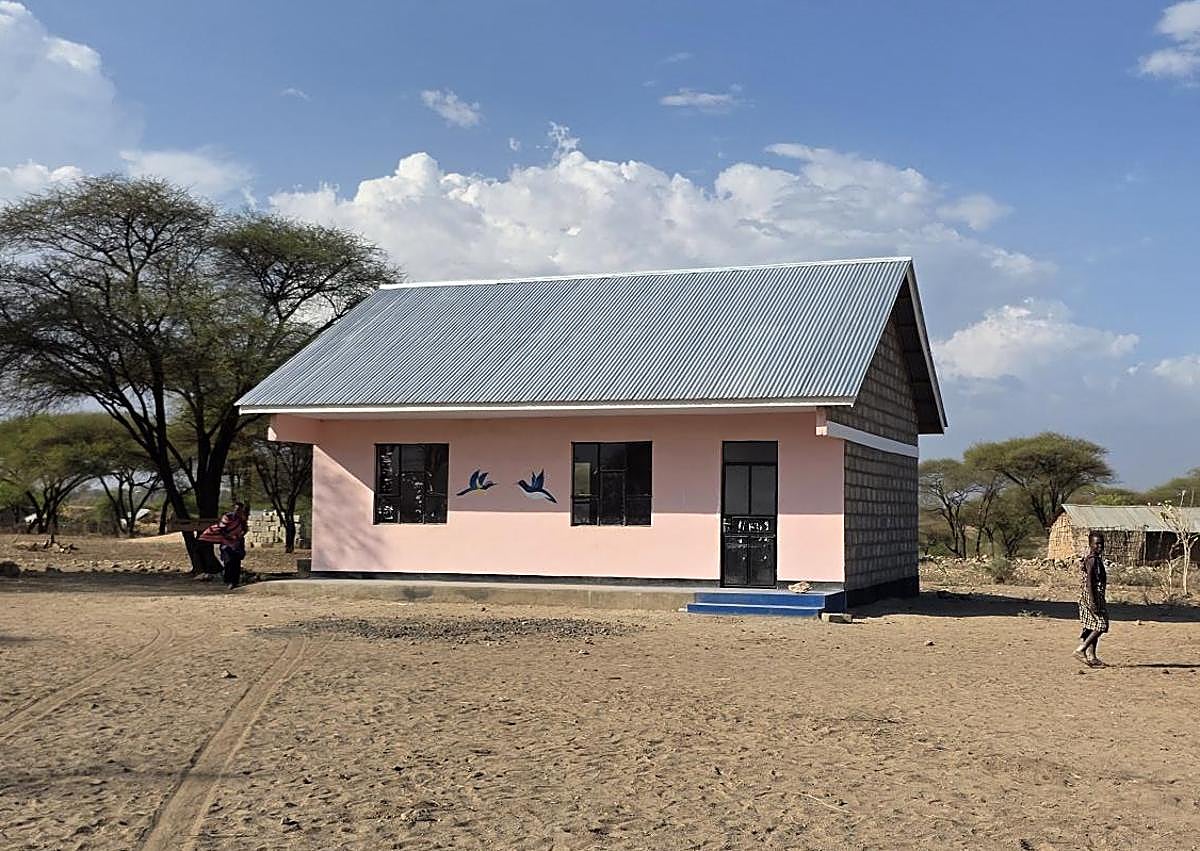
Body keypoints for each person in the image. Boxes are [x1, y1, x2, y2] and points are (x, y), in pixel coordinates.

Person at [1074, 531, 1108, 667]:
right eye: (1097, 544)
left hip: (1095, 595)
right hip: (1091, 596)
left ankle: (1092, 657)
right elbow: (1089, 582)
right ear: (1090, 544)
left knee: (1091, 626)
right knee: (1101, 625)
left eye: (1101, 544)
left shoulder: (1096, 559)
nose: (1100, 546)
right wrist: (1093, 602)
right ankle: (1081, 650)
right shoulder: (1092, 560)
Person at [200, 501, 250, 590]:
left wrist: (239, 536)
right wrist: (229, 537)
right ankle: (228, 580)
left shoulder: (242, 518)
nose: (237, 511)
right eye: (236, 509)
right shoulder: (227, 517)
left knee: (236, 562)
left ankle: (234, 582)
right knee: (228, 562)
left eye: (239, 509)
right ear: (233, 509)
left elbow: (245, 529)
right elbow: (222, 529)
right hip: (226, 543)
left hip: (237, 543)